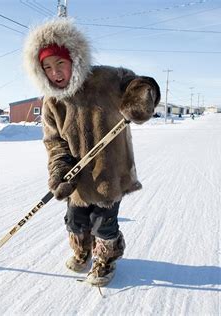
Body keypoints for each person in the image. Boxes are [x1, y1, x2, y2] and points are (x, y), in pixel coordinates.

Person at [23, 18, 160, 287]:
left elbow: (142, 87)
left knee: (103, 224)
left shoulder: (108, 79)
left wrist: (140, 97)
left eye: (60, 63)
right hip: (78, 179)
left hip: (110, 174)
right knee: (75, 221)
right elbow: (54, 142)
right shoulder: (52, 102)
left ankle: (105, 259)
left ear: (74, 58)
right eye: (47, 67)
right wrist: (60, 168)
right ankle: (83, 249)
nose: (55, 72)